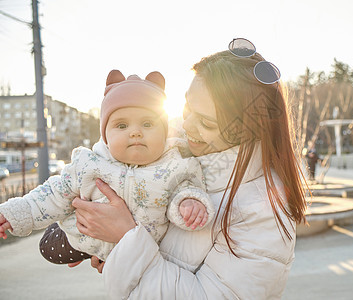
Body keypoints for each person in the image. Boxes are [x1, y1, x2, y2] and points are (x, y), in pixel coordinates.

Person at [70, 38, 308, 299]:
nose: (187, 126)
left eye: (206, 121)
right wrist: (109, 246)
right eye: (187, 107)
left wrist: (126, 238)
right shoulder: (177, 156)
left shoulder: (263, 211)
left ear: (246, 130)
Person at [0, 70, 214, 266]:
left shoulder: (175, 167)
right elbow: (54, 192)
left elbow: (187, 189)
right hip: (88, 239)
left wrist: (189, 204)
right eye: (122, 125)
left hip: (136, 252)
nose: (135, 132)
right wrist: (16, 213)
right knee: (49, 247)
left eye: (148, 124)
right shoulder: (89, 164)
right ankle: (68, 228)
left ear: (165, 131)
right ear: (106, 136)